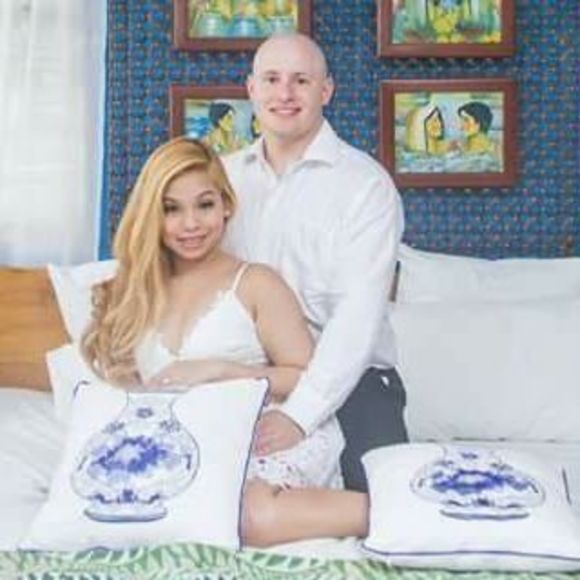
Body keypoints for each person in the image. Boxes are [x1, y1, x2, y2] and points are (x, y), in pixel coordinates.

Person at [81, 137, 368, 547]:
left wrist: (222, 371)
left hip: (267, 432)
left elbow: (305, 375)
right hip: (187, 441)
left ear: (226, 205)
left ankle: (400, 509)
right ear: (151, 214)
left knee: (246, 515)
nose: (191, 224)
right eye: (171, 209)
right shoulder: (131, 292)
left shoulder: (256, 282)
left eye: (205, 205)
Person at [222, 33, 407, 493]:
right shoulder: (221, 180)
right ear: (251, 89)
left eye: (301, 81)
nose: (284, 94)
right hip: (247, 373)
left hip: (353, 382)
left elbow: (358, 319)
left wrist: (300, 415)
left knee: (387, 507)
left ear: (326, 91)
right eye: (271, 79)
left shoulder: (365, 186)